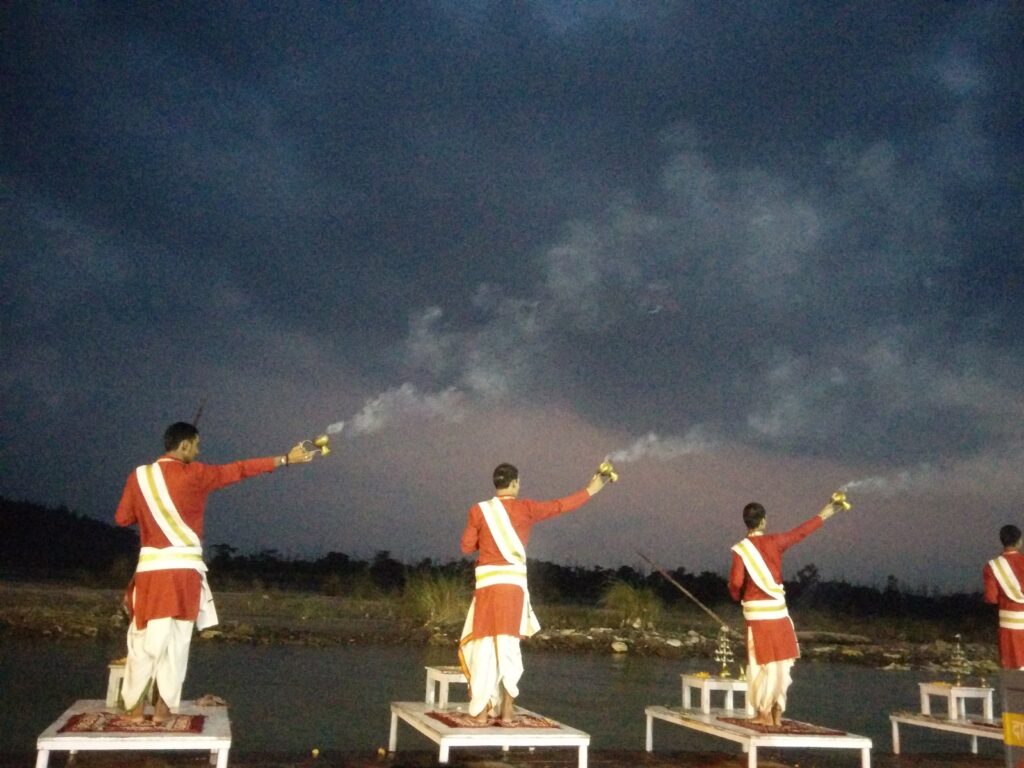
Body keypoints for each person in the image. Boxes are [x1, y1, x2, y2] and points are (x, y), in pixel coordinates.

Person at [114, 421, 317, 722]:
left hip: (150, 575)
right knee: (176, 642)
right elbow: (240, 469)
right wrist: (285, 459)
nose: (198, 450)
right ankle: (161, 711)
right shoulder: (198, 474)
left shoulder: (139, 476)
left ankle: (132, 710)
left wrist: (149, 509)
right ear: (183, 446)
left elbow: (122, 518)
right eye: (196, 445)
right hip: (184, 575)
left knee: (143, 640)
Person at [458, 462, 610, 722]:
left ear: (496, 484)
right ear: (515, 483)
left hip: (487, 590)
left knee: (484, 647)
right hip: (513, 590)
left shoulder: (479, 511)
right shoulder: (526, 509)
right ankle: (506, 712)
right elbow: (560, 505)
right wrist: (591, 489)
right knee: (509, 647)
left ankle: (482, 713)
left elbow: (466, 547)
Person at [728, 497, 843, 726]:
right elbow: (801, 532)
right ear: (763, 521)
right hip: (779, 615)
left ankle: (763, 714)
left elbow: (736, 582)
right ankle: (777, 712)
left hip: (757, 618)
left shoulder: (741, 550)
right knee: (780, 664)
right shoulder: (776, 541)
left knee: (762, 666)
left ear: (746, 522)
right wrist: (826, 513)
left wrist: (736, 596)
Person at [983, 524, 1024, 669]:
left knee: (1013, 673)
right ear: (1020, 541)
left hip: (1009, 628)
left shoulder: (992, 566)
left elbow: (991, 598)